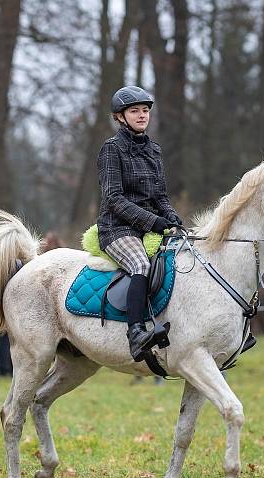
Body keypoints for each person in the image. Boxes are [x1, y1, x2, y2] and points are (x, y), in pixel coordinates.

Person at [96, 86, 183, 361]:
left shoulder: (154, 150)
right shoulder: (112, 148)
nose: (142, 115)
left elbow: (160, 196)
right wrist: (155, 222)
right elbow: (114, 199)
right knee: (141, 265)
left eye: (145, 111)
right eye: (135, 111)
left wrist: (172, 217)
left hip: (150, 227)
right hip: (117, 229)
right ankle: (135, 333)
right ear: (120, 117)